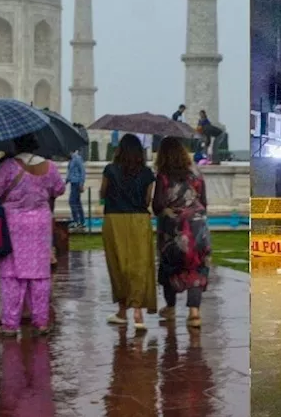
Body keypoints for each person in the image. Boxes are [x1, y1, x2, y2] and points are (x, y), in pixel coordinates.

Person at [0, 134, 65, 337]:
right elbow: (59, 189)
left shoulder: (9, 166)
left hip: (14, 226)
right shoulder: (49, 167)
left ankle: (10, 324)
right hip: (40, 224)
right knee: (40, 275)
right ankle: (41, 322)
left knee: (11, 274)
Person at [100, 134, 158, 331]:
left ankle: (122, 311)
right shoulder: (147, 173)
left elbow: (102, 193)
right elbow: (147, 200)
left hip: (114, 219)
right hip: (140, 220)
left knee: (117, 265)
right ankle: (138, 313)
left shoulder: (110, 170)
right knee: (140, 265)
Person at [153, 137, 212, 328]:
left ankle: (170, 308)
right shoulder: (196, 173)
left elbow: (158, 205)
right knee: (196, 269)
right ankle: (194, 313)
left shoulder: (163, 175)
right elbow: (204, 201)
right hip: (198, 229)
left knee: (170, 267)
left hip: (174, 231)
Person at [67, 148, 86, 230]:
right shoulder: (71, 160)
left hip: (77, 183)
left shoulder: (77, 158)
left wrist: (81, 184)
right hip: (73, 182)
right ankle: (81, 222)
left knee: (72, 201)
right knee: (77, 202)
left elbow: (82, 171)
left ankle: (76, 221)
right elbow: (70, 172)